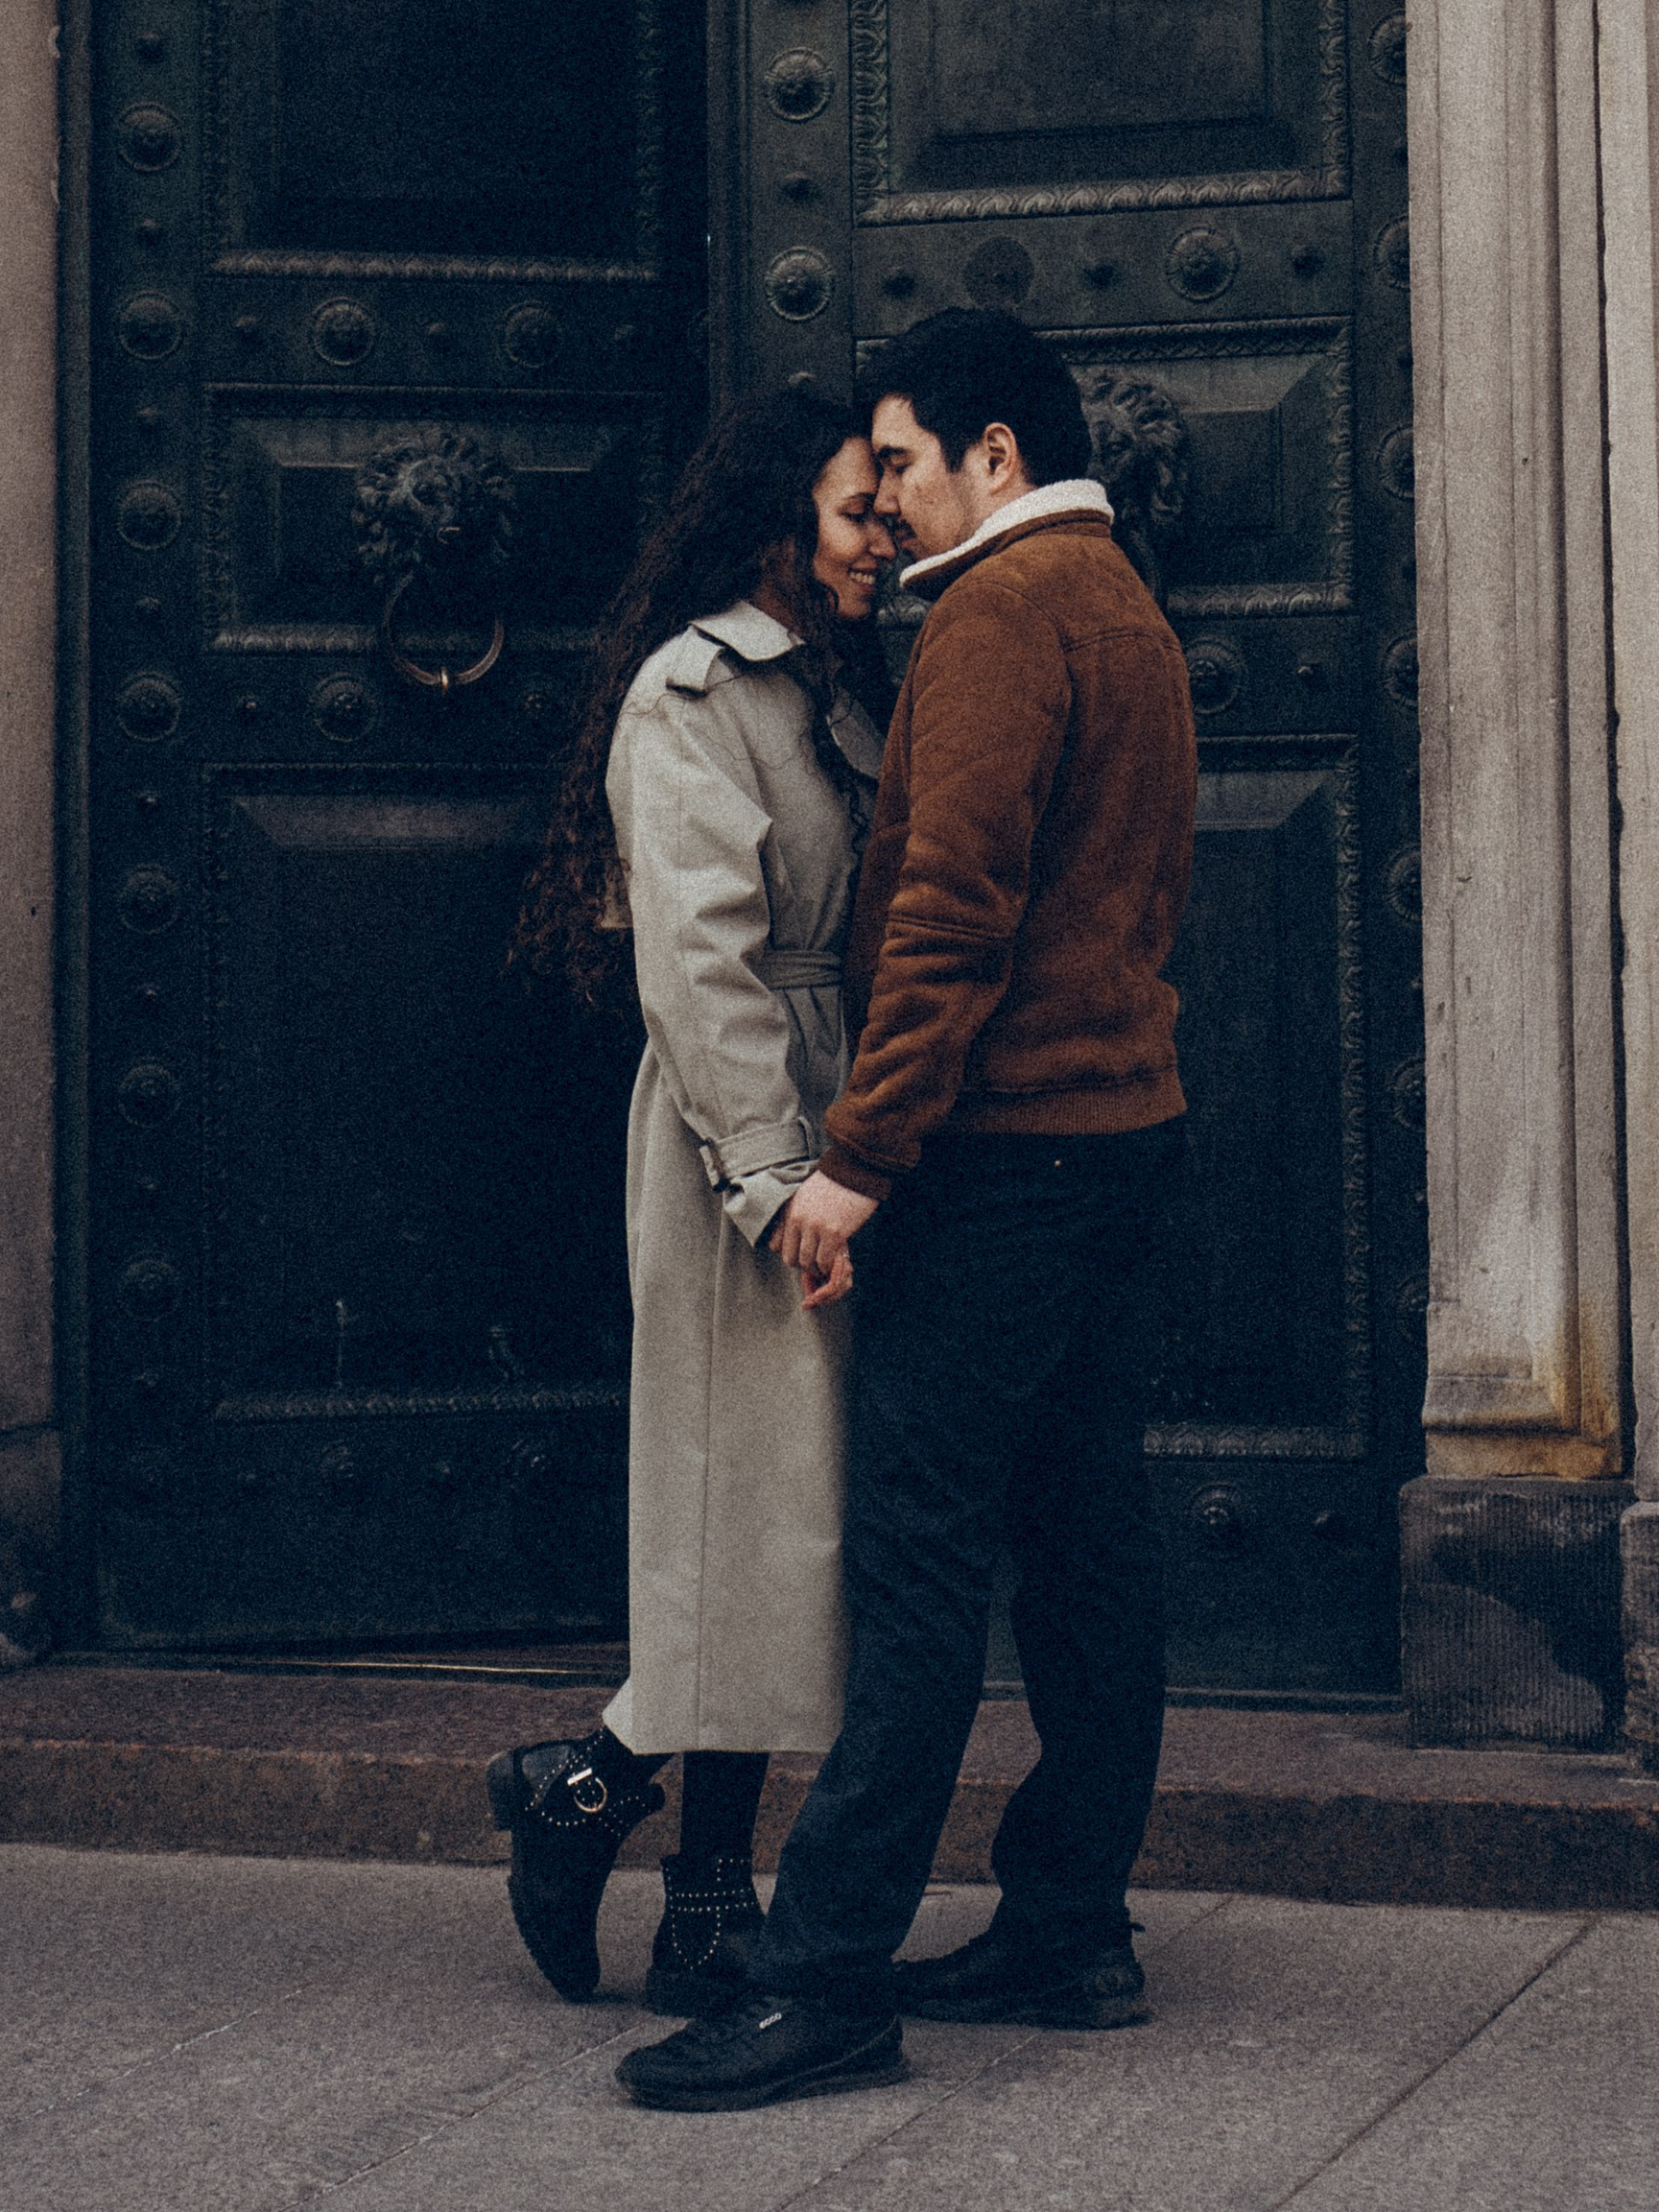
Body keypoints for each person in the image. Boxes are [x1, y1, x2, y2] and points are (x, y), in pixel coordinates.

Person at [618, 307, 1197, 2116]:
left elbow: (951, 913)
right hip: (1120, 1138)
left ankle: (822, 1975)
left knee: (924, 1568)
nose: (884, 501)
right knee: (1091, 1554)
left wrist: (857, 1160)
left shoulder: (1004, 616)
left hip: (997, 1159)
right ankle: (1068, 1924)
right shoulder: (1127, 601)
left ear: (994, 456)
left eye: (904, 463)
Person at [487, 387, 892, 2017]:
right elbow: (699, 966)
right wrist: (774, 1178)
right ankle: (679, 1874)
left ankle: (598, 1811)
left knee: (786, 1534)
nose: (884, 538)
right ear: (776, 520)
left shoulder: (835, 685)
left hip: (832, 1120)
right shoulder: (692, 694)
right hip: (745, 1141)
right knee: (744, 1519)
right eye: (859, 509)